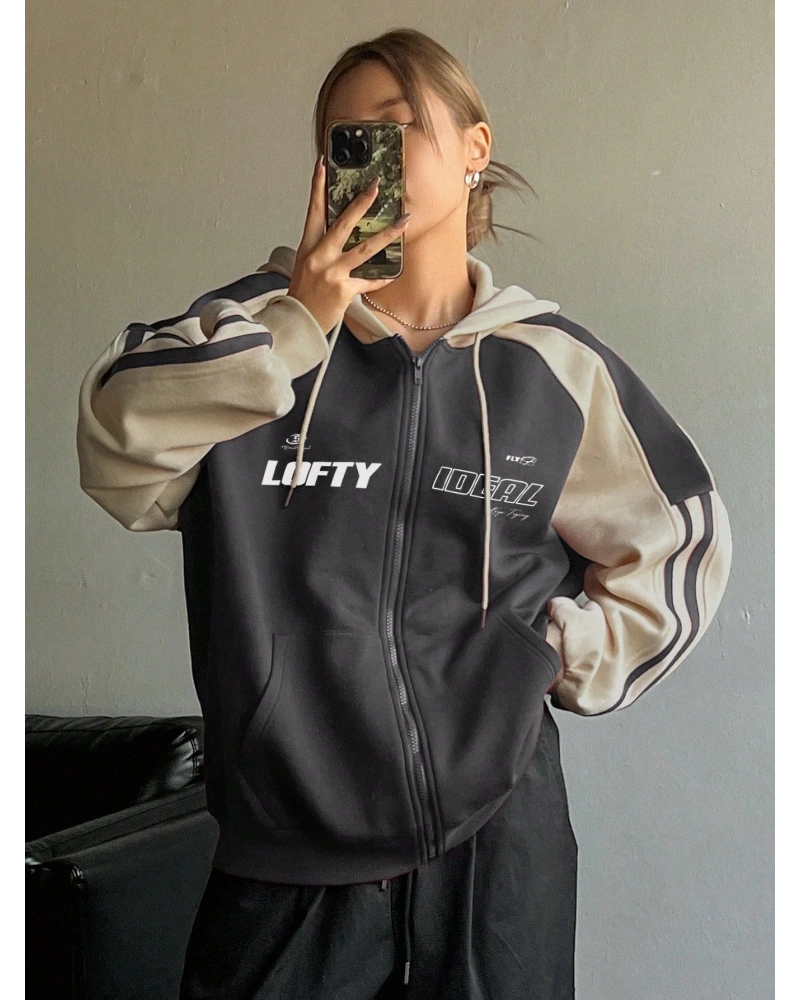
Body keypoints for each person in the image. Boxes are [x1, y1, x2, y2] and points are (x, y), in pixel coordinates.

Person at [75, 27, 733, 1000]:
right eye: (346, 138)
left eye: (398, 127)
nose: (371, 155)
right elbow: (113, 443)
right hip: (289, 852)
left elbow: (680, 537)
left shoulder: (548, 367)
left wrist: (552, 652)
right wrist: (299, 322)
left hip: (497, 851)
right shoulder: (250, 332)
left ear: (473, 148)